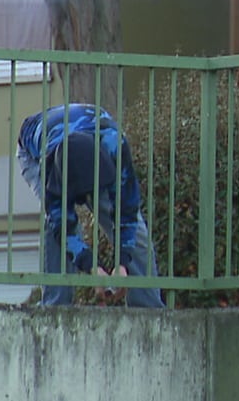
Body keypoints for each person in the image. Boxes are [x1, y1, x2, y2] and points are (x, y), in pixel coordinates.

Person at [18, 103, 165, 308]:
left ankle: (148, 309)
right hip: (36, 148)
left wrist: (123, 262)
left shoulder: (116, 147)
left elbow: (128, 214)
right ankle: (55, 307)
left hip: (89, 136)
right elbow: (62, 227)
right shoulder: (51, 168)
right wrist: (92, 268)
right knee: (55, 227)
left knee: (133, 226)